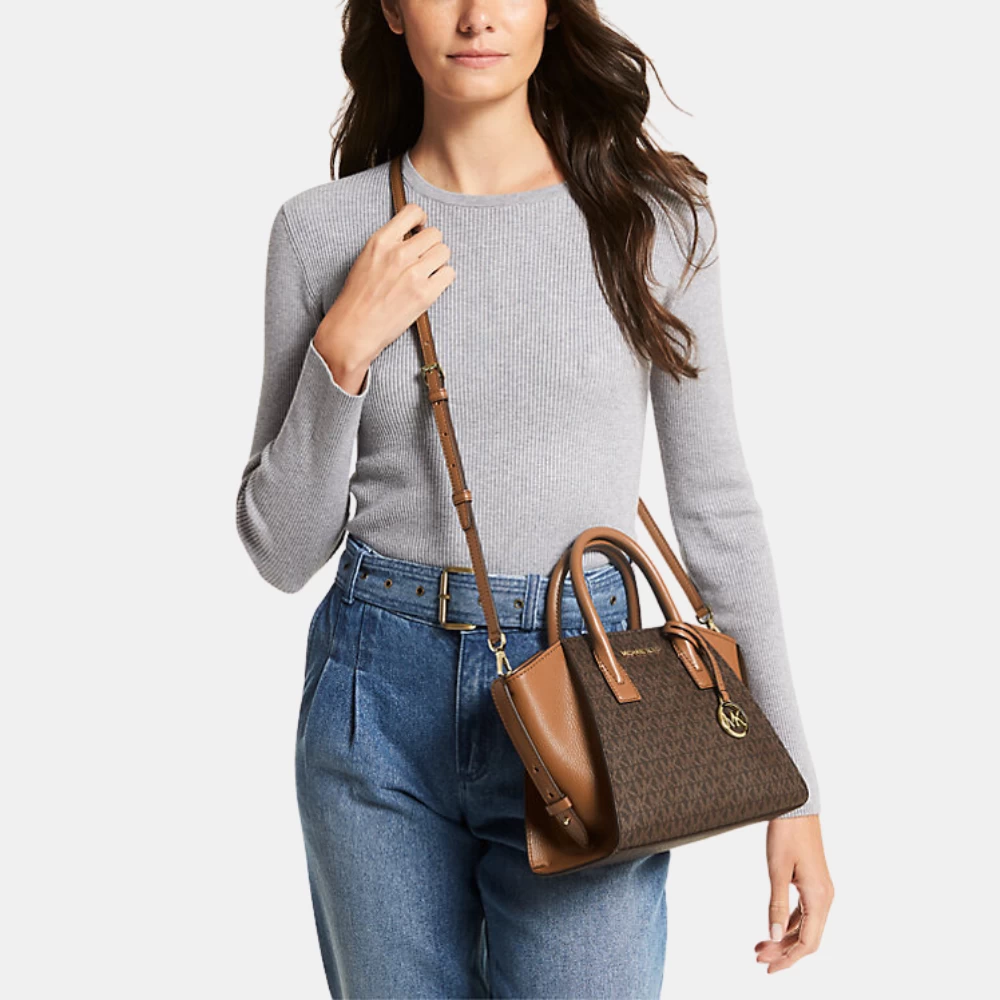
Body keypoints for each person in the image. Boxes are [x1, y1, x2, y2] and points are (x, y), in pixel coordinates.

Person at [235, 1, 835, 995]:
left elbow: (717, 509)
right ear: (392, 10)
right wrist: (343, 348)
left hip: (597, 686)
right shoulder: (322, 231)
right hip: (375, 694)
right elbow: (280, 548)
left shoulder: (651, 221)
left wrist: (794, 790)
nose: (478, 16)